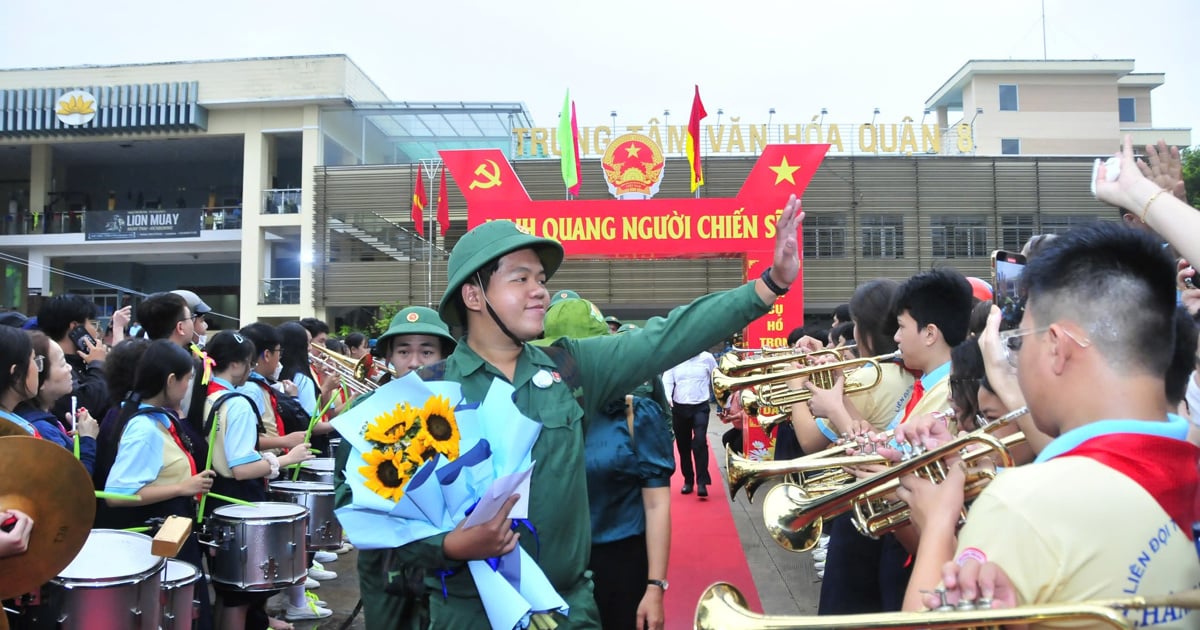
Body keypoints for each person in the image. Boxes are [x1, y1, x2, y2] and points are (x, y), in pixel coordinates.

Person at [390, 194, 802, 629]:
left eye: (541, 278)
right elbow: (383, 521)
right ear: (474, 295)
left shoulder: (570, 368)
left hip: (569, 611)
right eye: (521, 278)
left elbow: (667, 336)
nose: (540, 291)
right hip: (470, 615)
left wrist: (769, 284)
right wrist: (452, 545)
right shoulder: (425, 395)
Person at [908, 223, 1200, 628]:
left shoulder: (1024, 501)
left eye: (1020, 341)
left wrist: (938, 523)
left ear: (1058, 347)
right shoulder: (1188, 457)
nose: (1017, 358)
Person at [817, 268, 973, 615]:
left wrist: (839, 416)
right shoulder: (926, 385)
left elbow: (894, 467)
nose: (897, 338)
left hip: (909, 546)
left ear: (930, 333)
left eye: (902, 327)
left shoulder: (948, 391)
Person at [533, 298, 674, 630]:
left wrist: (655, 587)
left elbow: (656, 506)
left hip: (622, 566)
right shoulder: (528, 413)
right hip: (549, 567)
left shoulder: (636, 415)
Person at [333, 306, 457, 630]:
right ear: (389, 356)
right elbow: (342, 484)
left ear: (444, 355)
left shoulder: (460, 408)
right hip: (383, 556)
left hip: (446, 553)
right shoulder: (364, 412)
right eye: (404, 351)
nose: (414, 361)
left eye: (426, 351)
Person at [92, 339, 216, 630]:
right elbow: (118, 495)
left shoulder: (149, 416)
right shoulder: (143, 428)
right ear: (171, 380)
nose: (188, 388)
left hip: (169, 537)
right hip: (157, 542)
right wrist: (182, 487)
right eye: (187, 380)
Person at [201, 331, 319, 628]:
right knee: (240, 594)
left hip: (215, 497)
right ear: (239, 364)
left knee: (227, 588)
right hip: (238, 498)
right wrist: (285, 459)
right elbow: (241, 467)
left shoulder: (204, 393)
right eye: (250, 364)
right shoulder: (236, 403)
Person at [793, 278, 914, 452]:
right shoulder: (908, 371)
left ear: (870, 336)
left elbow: (809, 442)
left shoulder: (868, 378)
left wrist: (797, 386)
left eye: (856, 324)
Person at [18, 331, 99, 474]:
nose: (69, 368)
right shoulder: (41, 429)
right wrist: (88, 439)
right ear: (36, 376)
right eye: (62, 363)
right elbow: (74, 484)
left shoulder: (40, 418)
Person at [36, 293, 110, 422]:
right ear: (76, 327)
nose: (97, 331)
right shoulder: (49, 365)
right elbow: (85, 404)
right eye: (92, 324)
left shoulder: (84, 362)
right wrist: (98, 365)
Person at [662, 349, 717, 497]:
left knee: (699, 440)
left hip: (700, 406)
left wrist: (725, 403)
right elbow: (667, 380)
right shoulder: (674, 357)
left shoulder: (707, 358)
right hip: (679, 407)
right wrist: (667, 397)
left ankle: (702, 482)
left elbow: (716, 378)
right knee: (683, 445)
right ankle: (688, 480)